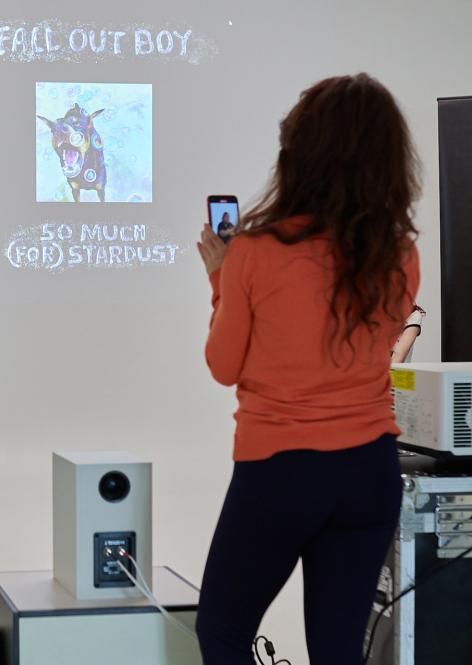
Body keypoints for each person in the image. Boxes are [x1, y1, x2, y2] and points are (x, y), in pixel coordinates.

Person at [194, 73, 420, 664]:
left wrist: (221, 278)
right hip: (369, 470)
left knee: (222, 634)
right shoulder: (400, 255)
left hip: (281, 470)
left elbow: (223, 365)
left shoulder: (255, 251)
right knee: (338, 650)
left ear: (300, 153)